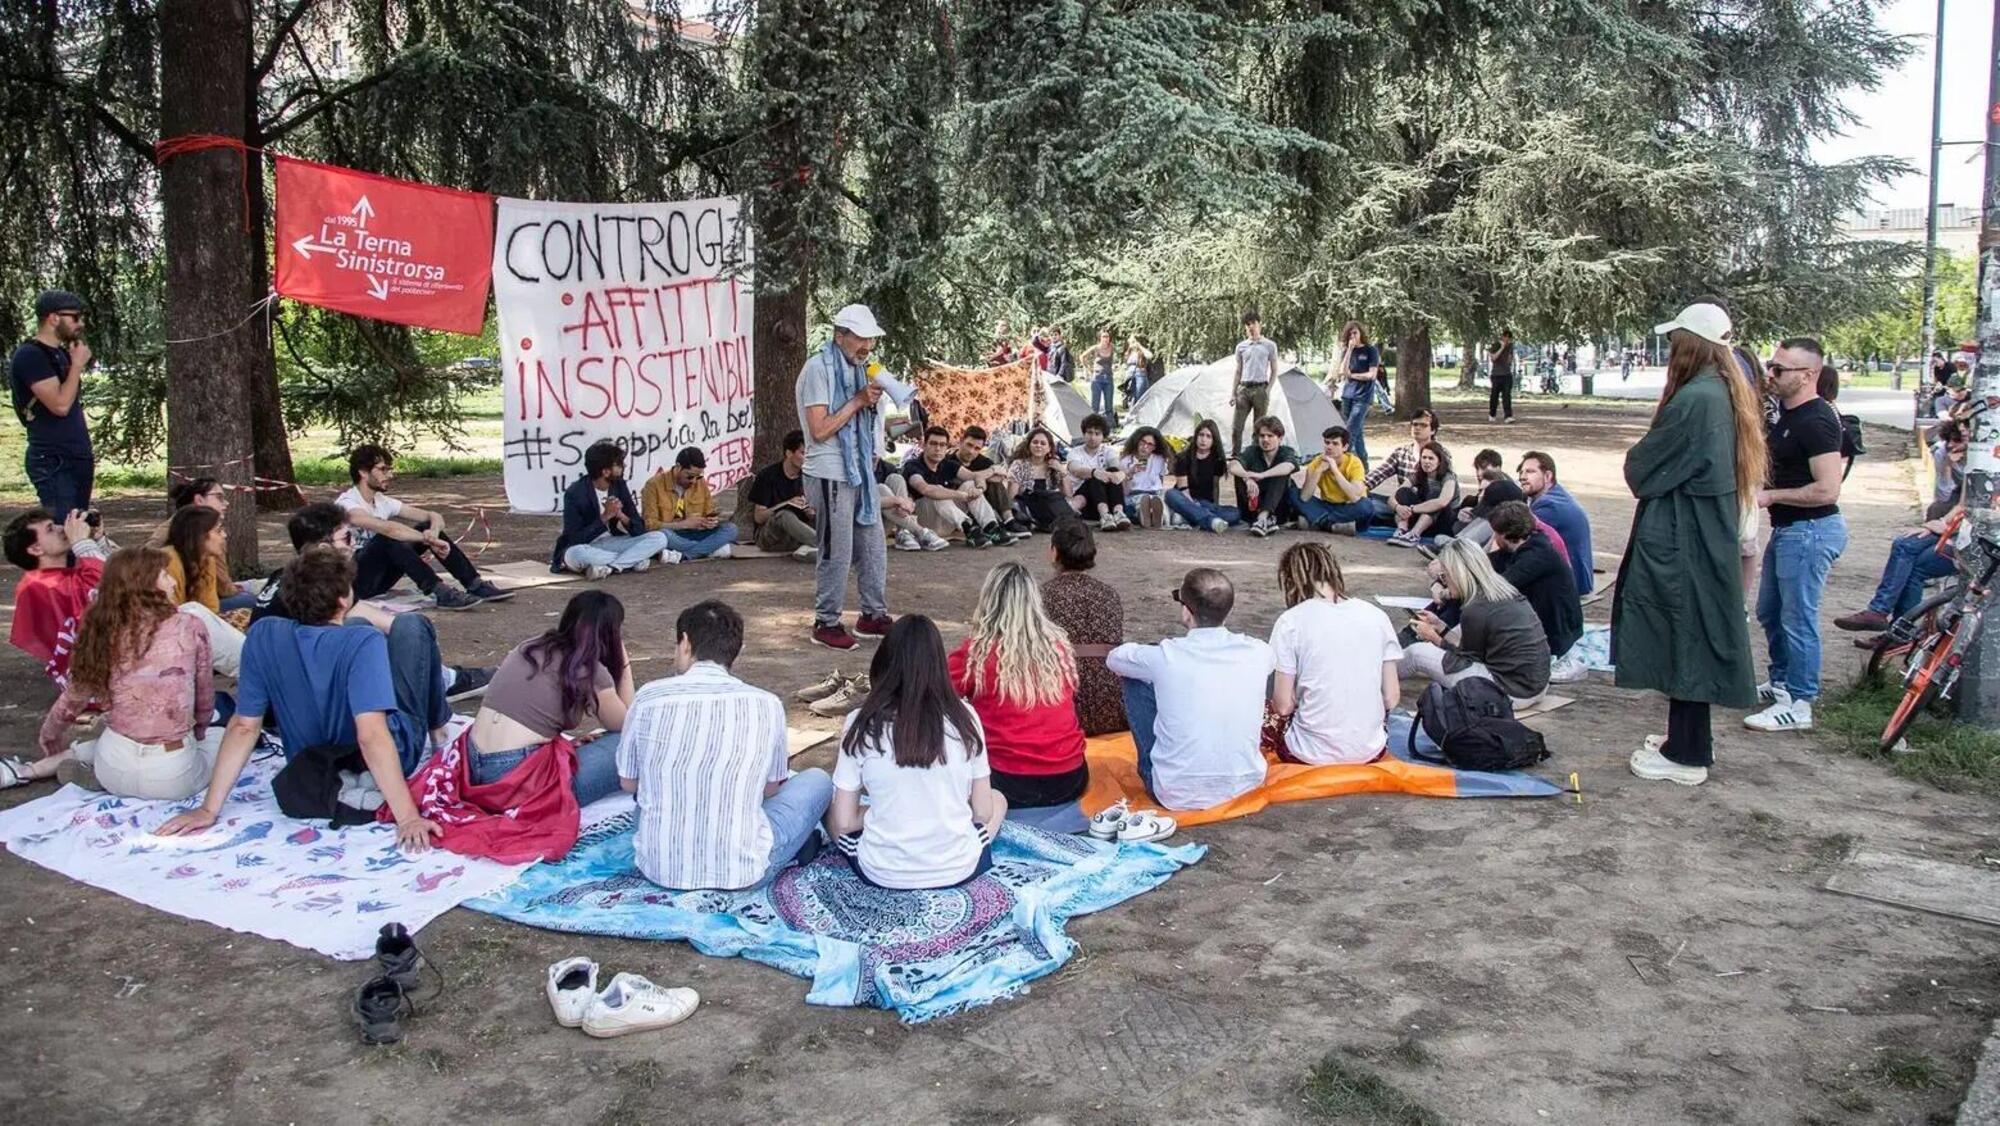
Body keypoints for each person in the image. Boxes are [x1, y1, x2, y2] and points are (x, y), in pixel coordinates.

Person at [158, 548, 450, 852]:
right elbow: (372, 735)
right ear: (343, 601)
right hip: (379, 757)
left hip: (308, 761)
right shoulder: (364, 643)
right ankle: (438, 726)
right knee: (412, 627)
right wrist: (407, 817)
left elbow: (244, 726)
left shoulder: (262, 634)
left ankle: (432, 720)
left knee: (359, 627)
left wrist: (209, 809)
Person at [1615, 303, 1765, 786]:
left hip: (1684, 540)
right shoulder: (1722, 391)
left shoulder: (1696, 399)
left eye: (1675, 341)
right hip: (1698, 535)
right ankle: (1685, 741)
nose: (1669, 350)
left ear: (1690, 345)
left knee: (1684, 639)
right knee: (1690, 637)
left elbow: (1642, 468)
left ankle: (1687, 755)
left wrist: (1640, 456)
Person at [614, 599, 834, 889]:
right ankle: (795, 846)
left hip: (658, 868)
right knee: (817, 780)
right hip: (742, 871)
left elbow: (629, 784)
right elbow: (772, 789)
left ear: (685, 642)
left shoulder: (648, 696)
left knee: (647, 802)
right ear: (736, 650)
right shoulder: (766, 704)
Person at [4, 547, 217, 794]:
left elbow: (73, 697)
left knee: (109, 741)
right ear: (146, 583)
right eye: (165, 575)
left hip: (113, 765)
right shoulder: (189, 625)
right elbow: (204, 699)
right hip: (173, 773)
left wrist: (50, 735)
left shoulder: (102, 629)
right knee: (222, 739)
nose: (172, 583)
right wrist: (199, 731)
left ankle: (32, 770)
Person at [827, 615, 1007, 889]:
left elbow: (844, 823)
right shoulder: (965, 716)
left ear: (884, 662)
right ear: (939, 666)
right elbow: (982, 813)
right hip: (958, 868)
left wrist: (884, 809)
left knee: (829, 807)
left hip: (881, 872)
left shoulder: (860, 721)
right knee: (998, 799)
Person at [252, 501, 493, 700]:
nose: (355, 544)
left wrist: (415, 636)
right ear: (324, 547)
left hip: (278, 690)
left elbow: (379, 618)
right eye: (347, 539)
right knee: (365, 632)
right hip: (299, 694)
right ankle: (441, 687)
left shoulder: (290, 575)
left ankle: (444, 679)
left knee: (400, 627)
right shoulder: (321, 585)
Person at [1746, 337, 1848, 733]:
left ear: (1808, 375)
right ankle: (1783, 683)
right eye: (1771, 366)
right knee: (1771, 612)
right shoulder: (1788, 414)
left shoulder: (1817, 420)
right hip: (1789, 530)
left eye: (1779, 369)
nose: (1771, 375)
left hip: (1810, 531)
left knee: (1797, 618)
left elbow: (1827, 489)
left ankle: (1802, 701)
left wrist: (1770, 496)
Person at [1107, 569, 1273, 811]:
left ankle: (1150, 765)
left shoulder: (1166, 655)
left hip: (1174, 793)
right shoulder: (1259, 651)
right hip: (1246, 784)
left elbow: (1115, 660)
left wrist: (1151, 654)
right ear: (1229, 610)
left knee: (1134, 678)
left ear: (1186, 610)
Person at [948, 562, 1090, 833]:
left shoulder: (976, 655)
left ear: (988, 599)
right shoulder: (1058, 647)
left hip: (1008, 780)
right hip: (1070, 778)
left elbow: (932, 693)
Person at [465, 591, 632, 807]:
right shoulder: (590, 670)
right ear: (611, 634)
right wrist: (624, 663)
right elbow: (627, 725)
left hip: (473, 765)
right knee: (633, 744)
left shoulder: (530, 646)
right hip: (517, 781)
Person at [797, 303, 895, 651]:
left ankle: (873, 614)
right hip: (829, 471)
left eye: (871, 340)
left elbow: (865, 416)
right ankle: (826, 621)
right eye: (860, 339)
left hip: (858, 472)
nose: (867, 347)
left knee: (872, 544)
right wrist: (858, 401)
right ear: (840, 336)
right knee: (836, 550)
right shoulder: (818, 369)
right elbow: (820, 429)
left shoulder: (859, 367)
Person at [1268, 542, 1401, 765]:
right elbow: (1391, 698)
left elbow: (1283, 705)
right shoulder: (1377, 616)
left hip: (1308, 753)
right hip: (1370, 750)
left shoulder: (1290, 621)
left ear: (1291, 581)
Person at [339, 445, 503, 610]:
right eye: (383, 470)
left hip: (378, 580)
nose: (390, 475)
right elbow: (388, 529)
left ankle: (474, 584)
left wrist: (433, 533)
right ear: (363, 472)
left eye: (389, 469)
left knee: (423, 527)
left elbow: (434, 516)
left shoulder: (382, 501)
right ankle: (440, 592)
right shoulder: (347, 504)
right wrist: (428, 539)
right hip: (352, 583)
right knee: (388, 538)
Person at [1401, 538, 1550, 706]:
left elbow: (1467, 659)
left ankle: (1379, 674)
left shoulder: (1475, 608)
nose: (1445, 582)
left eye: (1445, 576)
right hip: (1536, 687)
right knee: (1459, 630)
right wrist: (1440, 627)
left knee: (1417, 653)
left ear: (1458, 574)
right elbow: (1469, 646)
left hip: (1509, 693)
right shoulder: (1503, 593)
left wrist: (1433, 638)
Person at [10, 290, 94, 518]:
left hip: (77, 454)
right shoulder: (30, 355)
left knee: (78, 529)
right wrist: (76, 366)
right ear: (53, 318)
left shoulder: (61, 354)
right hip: (53, 459)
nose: (81, 324)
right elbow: (60, 405)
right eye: (75, 317)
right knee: (63, 531)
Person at [1040, 517, 1126, 736]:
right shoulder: (1108, 594)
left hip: (1062, 699)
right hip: (1110, 698)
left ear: (1054, 552)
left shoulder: (1041, 595)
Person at [4, 507, 107, 685]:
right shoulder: (39, 585)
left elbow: (120, 578)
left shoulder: (58, 576)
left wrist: (98, 541)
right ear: (36, 549)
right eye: (51, 529)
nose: (62, 528)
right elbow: (106, 589)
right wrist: (82, 542)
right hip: (93, 681)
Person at [552, 440, 675, 579]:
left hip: (611, 543)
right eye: (619, 465)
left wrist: (621, 515)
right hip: (586, 546)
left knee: (659, 538)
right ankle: (632, 561)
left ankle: (612, 568)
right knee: (575, 554)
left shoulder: (619, 485)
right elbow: (574, 539)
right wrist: (605, 516)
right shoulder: (575, 493)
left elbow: (639, 529)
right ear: (605, 471)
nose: (624, 467)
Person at [1835, 508, 1962, 638]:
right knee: (1904, 544)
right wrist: (1939, 524)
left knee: (1917, 569)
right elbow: (1964, 503)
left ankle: (1896, 631)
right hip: (1959, 530)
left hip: (1972, 543)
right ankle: (1879, 612)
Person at [1485, 501, 1581, 661]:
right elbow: (1486, 562)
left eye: (1495, 533)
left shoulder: (1536, 556)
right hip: (1548, 625)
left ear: (1505, 534)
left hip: (1555, 635)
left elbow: (1499, 587)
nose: (1494, 538)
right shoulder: (1525, 547)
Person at [161, 505, 245, 676]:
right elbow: (170, 617)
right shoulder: (168, 560)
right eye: (219, 530)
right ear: (199, 535)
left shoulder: (206, 559)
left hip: (192, 626)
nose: (224, 535)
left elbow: (210, 609)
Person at [906, 424, 1012, 547]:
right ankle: (970, 528)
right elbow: (925, 489)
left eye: (942, 445)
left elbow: (975, 477)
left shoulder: (947, 464)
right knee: (938, 490)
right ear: (924, 445)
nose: (938, 449)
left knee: (969, 484)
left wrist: (979, 488)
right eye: (933, 444)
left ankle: (991, 528)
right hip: (924, 523)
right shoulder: (913, 466)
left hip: (947, 522)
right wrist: (960, 495)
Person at [638, 446, 740, 561]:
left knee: (731, 529)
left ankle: (684, 555)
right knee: (662, 536)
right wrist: (683, 524)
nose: (694, 481)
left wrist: (710, 522)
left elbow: (709, 512)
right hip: (673, 534)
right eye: (690, 476)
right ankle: (708, 549)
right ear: (678, 467)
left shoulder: (700, 483)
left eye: (699, 476)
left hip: (696, 533)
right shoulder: (653, 485)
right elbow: (650, 525)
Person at [1517, 451, 1595, 594]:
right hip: (1575, 576)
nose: (1522, 477)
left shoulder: (1550, 506)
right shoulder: (1556, 495)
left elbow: (1518, 539)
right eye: (1521, 472)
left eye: (1530, 472)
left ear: (1548, 476)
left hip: (1570, 583)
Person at [745, 430, 820, 559]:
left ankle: (810, 551)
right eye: (803, 453)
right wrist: (787, 503)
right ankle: (825, 546)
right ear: (789, 453)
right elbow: (759, 517)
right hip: (770, 537)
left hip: (798, 535)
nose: (807, 458)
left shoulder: (809, 476)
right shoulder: (767, 476)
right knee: (784, 515)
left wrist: (811, 511)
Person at [1164, 418, 1241, 533]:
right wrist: (1195, 505)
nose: (1203, 440)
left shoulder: (1217, 459)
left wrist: (1213, 506)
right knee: (1170, 494)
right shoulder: (1183, 458)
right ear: (1196, 436)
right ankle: (1211, 521)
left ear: (1214, 440)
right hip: (1186, 499)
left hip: (1205, 503)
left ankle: (1187, 517)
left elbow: (1215, 487)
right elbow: (1184, 490)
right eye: (1201, 435)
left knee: (1235, 513)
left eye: (1208, 436)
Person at [1229, 415, 1302, 537]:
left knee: (1281, 474)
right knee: (1240, 473)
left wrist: (1261, 475)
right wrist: (1247, 478)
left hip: (1278, 509)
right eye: (1262, 436)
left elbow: (1289, 466)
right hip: (1252, 505)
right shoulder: (1252, 451)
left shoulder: (1286, 452)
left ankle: (1263, 518)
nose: (1265, 440)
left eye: (1270, 436)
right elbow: (1233, 465)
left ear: (1280, 438)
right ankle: (1262, 521)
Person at [1296, 426, 1374, 533]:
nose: (1329, 447)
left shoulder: (1354, 462)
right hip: (1326, 505)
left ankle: (1319, 522)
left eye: (1335, 444)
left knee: (1367, 507)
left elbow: (1355, 497)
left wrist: (1335, 470)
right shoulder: (1317, 463)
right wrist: (1319, 471)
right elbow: (1305, 498)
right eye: (1327, 443)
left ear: (1345, 447)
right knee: (1292, 493)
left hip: (1348, 506)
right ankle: (1333, 525)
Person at [1065, 414, 1130, 531]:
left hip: (1106, 498)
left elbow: (1116, 465)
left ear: (1103, 436)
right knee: (1095, 477)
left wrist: (1119, 473)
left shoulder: (1108, 451)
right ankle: (1104, 515)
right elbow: (1076, 470)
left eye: (1097, 433)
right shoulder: (1075, 452)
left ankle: (1118, 513)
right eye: (1089, 432)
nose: (1092, 437)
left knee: (1112, 472)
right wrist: (1095, 472)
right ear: (1084, 434)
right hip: (1085, 501)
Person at [1387, 442, 1459, 547]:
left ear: (1439, 461)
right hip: (1420, 518)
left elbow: (1442, 502)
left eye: (1431, 458)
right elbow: (1392, 497)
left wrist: (1412, 509)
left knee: (1435, 497)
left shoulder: (1448, 478)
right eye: (1424, 457)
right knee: (1403, 492)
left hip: (1443, 521)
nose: (1426, 461)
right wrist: (1398, 508)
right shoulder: (1417, 475)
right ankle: (1402, 530)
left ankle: (1414, 534)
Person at [955, 426, 1024, 534]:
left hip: (981, 500)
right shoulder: (949, 460)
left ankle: (1009, 520)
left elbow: (1001, 476)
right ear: (961, 441)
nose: (971, 451)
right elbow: (966, 477)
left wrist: (984, 477)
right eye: (969, 445)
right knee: (970, 483)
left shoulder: (982, 461)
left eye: (977, 448)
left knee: (995, 483)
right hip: (959, 503)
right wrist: (991, 471)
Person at [1360, 409, 1442, 500]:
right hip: (1401, 503)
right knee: (1366, 501)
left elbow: (1445, 488)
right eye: (1415, 424)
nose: (1417, 428)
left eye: (1423, 425)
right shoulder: (1401, 452)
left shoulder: (1441, 454)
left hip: (1430, 505)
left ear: (1433, 431)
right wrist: (1357, 487)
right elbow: (1379, 474)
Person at [1005, 426, 1073, 532]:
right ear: (1029, 445)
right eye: (1035, 442)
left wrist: (1062, 471)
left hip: (1049, 504)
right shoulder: (1019, 464)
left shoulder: (1054, 464)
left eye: (1043, 443)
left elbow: (1068, 494)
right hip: (1027, 504)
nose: (1038, 446)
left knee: (1057, 500)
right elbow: (1012, 496)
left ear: (1049, 448)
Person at [1230, 311, 1280, 455]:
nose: (1251, 327)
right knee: (1236, 427)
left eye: (1254, 323)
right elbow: (1238, 370)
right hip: (1244, 389)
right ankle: (1236, 456)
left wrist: (1268, 390)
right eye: (1248, 324)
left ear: (1260, 324)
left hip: (1260, 388)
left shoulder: (1270, 345)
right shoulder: (1241, 347)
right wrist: (1233, 393)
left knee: (1259, 428)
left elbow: (1274, 369)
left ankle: (1255, 456)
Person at [1333, 321, 1383, 463]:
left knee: (1349, 432)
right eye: (1350, 334)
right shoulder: (1348, 351)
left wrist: (1353, 375)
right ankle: (1364, 463)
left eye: (1355, 332)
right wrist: (1349, 350)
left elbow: (1371, 375)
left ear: (1361, 333)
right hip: (1348, 395)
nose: (1352, 336)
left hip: (1363, 397)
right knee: (1358, 432)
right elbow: (1342, 371)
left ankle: (1342, 461)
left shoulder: (1370, 350)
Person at [1120, 427, 1170, 528]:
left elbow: (1161, 482)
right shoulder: (1126, 461)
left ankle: (1157, 516)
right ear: (1137, 441)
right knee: (1139, 503)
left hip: (1156, 493)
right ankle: (1145, 515)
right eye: (1142, 442)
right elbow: (1125, 492)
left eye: (1150, 444)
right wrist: (1130, 473)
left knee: (1158, 501)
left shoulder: (1159, 460)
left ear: (1155, 447)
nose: (1145, 447)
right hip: (1135, 495)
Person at [1929, 419, 1966, 520]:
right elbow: (1943, 494)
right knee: (1936, 509)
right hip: (1957, 494)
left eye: (1957, 441)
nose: (1950, 445)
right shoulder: (1942, 452)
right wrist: (1948, 465)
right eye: (1948, 440)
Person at [1083, 327, 1119, 426]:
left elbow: (1119, 357)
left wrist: (1116, 366)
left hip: (1108, 377)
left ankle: (1111, 426)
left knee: (1109, 405)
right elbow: (1082, 356)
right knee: (1095, 405)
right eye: (1103, 336)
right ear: (1100, 338)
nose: (1106, 339)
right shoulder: (1096, 348)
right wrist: (1089, 368)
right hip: (1097, 378)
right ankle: (1093, 425)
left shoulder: (1112, 347)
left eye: (1107, 336)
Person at [1488, 329, 1516, 423]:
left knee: (1507, 396)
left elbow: (1510, 359)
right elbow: (1493, 358)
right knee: (1494, 396)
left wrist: (1510, 359)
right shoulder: (1496, 345)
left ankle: (1508, 416)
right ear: (1502, 337)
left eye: (1509, 338)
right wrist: (1502, 348)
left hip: (1507, 374)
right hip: (1496, 375)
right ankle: (1492, 414)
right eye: (1505, 337)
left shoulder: (1511, 346)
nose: (1507, 340)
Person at [1123, 334, 1154, 407]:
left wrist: (1139, 346)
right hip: (1130, 376)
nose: (1131, 344)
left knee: (1140, 395)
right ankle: (1132, 414)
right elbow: (1126, 365)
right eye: (1130, 342)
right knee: (1132, 397)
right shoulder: (1128, 352)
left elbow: (1150, 356)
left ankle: (1140, 414)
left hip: (1140, 374)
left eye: (1133, 342)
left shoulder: (1142, 352)